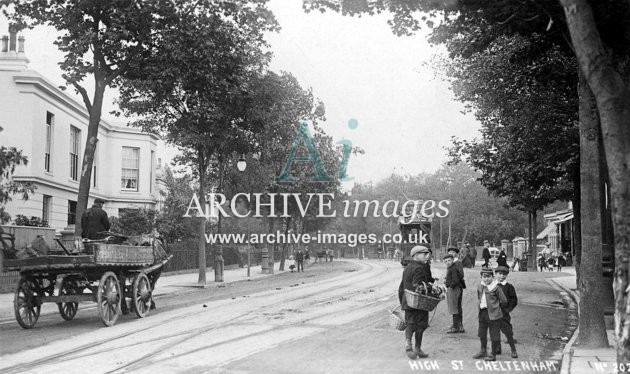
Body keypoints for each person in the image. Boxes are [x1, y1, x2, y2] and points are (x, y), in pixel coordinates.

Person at [398, 245, 434, 359]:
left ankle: (409, 345)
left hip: (408, 301)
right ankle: (417, 348)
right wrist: (431, 289)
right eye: (424, 254)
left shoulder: (407, 268)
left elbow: (401, 287)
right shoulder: (420, 268)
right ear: (416, 255)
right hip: (419, 302)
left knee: (410, 323)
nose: (427, 256)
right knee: (421, 325)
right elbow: (418, 286)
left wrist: (402, 302)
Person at [473, 268, 507, 362]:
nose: (486, 279)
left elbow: (504, 301)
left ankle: (493, 354)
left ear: (493, 277)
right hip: (483, 312)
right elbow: (479, 296)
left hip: (494, 314)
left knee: (494, 334)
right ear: (481, 277)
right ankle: (483, 350)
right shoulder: (480, 286)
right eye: (484, 277)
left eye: (489, 277)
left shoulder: (496, 288)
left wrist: (497, 308)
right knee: (482, 333)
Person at [495, 266, 518, 358]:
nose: (502, 276)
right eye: (500, 274)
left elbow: (514, 300)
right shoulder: (492, 285)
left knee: (507, 331)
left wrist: (508, 309)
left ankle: (513, 349)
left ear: (507, 275)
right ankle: (497, 348)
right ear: (496, 274)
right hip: (493, 312)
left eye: (504, 274)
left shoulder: (509, 287)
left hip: (504, 313)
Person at [444, 247, 466, 333]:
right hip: (454, 286)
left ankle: (459, 325)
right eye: (449, 252)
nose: (451, 253)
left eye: (453, 252)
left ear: (456, 254)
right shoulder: (451, 263)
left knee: (457, 306)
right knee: (455, 306)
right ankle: (456, 324)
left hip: (456, 287)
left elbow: (460, 275)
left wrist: (451, 284)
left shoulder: (457, 263)